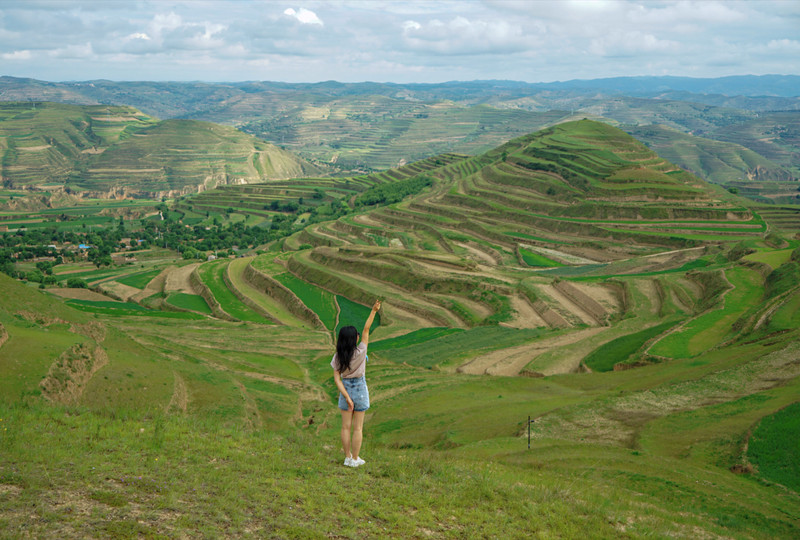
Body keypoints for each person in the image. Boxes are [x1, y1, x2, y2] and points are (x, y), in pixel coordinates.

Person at [331, 299, 381, 467]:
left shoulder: (338, 357)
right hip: (360, 390)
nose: (359, 335)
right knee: (358, 428)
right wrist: (374, 310)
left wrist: (346, 397)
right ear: (354, 339)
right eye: (356, 335)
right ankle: (355, 459)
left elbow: (337, 379)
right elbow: (367, 329)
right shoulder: (361, 351)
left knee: (345, 427)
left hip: (345, 391)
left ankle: (347, 457)